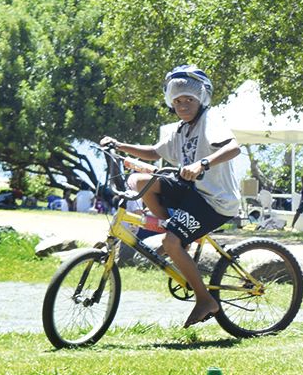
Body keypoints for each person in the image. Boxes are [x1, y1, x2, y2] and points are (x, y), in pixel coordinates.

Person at [100, 65, 243, 327]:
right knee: (143, 181)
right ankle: (175, 232)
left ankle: (205, 300)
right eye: (177, 100)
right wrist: (120, 146)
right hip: (192, 193)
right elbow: (154, 152)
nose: (183, 104)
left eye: (189, 99)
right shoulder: (178, 130)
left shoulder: (211, 121)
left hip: (215, 201)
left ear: (201, 100)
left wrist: (203, 164)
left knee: (170, 243)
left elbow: (234, 148)